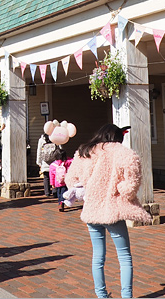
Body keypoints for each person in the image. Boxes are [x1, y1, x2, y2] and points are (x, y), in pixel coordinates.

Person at [64, 124, 152, 299]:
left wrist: (83, 189)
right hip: (113, 209)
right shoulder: (122, 152)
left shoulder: (85, 151)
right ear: (118, 137)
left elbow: (70, 178)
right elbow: (133, 178)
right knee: (124, 256)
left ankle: (102, 295)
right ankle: (126, 296)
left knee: (98, 256)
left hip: (92, 209)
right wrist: (122, 189)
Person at [36, 133, 55, 197]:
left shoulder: (41, 140)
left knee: (46, 178)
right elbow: (60, 149)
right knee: (54, 177)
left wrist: (39, 162)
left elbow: (39, 152)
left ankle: (47, 192)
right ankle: (54, 191)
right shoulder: (55, 138)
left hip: (45, 161)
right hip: (54, 162)